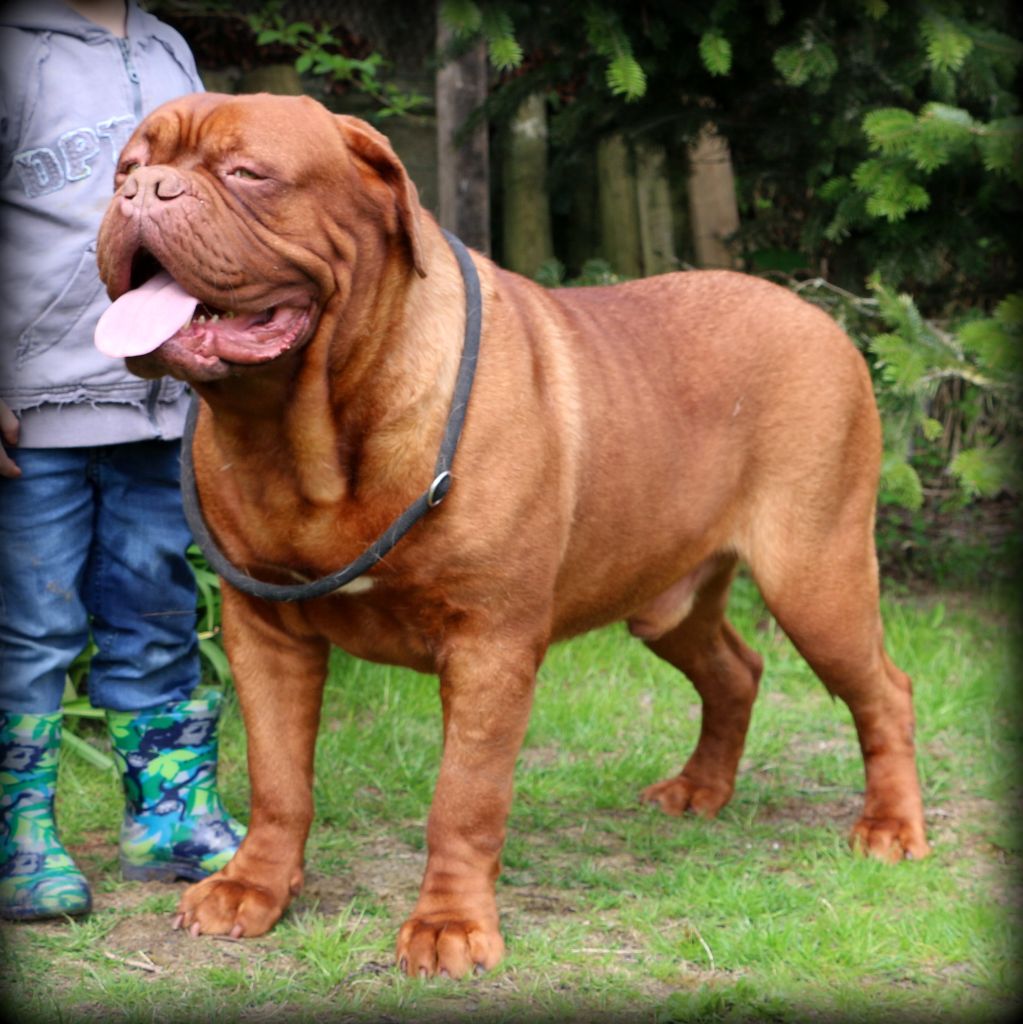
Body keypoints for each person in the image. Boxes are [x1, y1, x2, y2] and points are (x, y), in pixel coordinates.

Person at [0, 0, 244, 922]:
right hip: (34, 413)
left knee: (157, 611)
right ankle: (17, 833)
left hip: (158, 402)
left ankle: (168, 818)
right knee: (29, 627)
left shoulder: (167, 46)